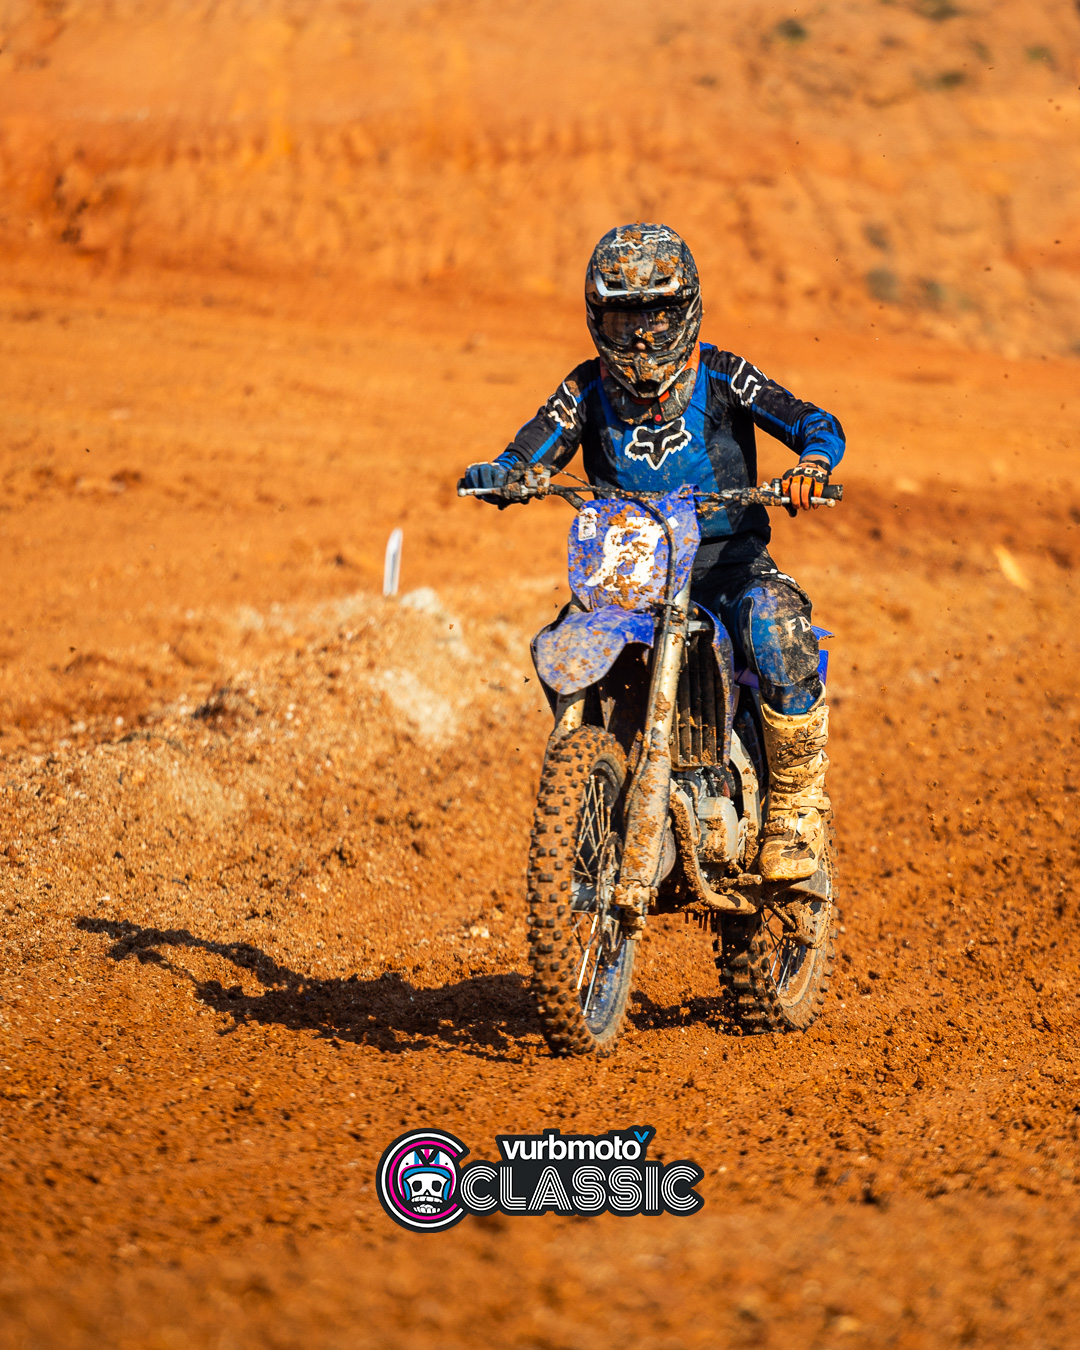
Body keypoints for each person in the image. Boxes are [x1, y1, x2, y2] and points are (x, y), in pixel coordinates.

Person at [461, 223, 844, 883]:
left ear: (686, 309)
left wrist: (812, 463)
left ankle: (794, 807)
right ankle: (602, 773)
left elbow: (814, 421)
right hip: (630, 572)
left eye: (658, 317)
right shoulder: (586, 390)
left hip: (726, 567)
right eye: (624, 319)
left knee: (776, 625)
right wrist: (508, 472)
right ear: (596, 319)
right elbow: (532, 444)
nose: (641, 338)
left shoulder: (722, 375)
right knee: (563, 638)